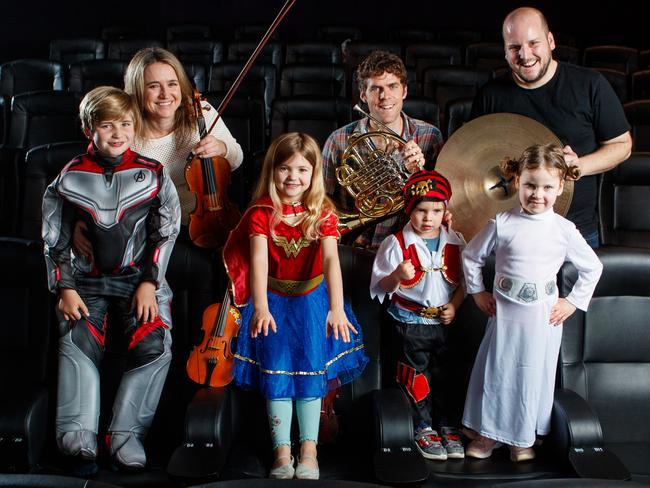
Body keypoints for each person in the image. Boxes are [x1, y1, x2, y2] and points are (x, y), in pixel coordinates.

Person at [42, 86, 181, 471]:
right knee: (77, 335)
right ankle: (76, 432)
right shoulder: (68, 177)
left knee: (155, 340)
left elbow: (166, 231)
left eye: (125, 124)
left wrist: (151, 282)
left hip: (140, 279)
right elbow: (53, 239)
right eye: (107, 125)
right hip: (85, 282)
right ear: (90, 129)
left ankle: (126, 434)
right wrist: (64, 288)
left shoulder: (153, 174)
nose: (117, 133)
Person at [223, 132, 368, 479]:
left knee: (310, 377)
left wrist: (335, 307)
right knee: (277, 376)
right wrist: (259, 307)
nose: (293, 178)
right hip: (273, 301)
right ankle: (281, 452)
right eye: (285, 169)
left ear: (314, 173)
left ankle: (309, 451)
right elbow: (258, 261)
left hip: (313, 302)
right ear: (272, 172)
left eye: (302, 170)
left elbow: (332, 261)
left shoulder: (323, 211)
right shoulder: (262, 212)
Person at [461, 143, 602, 462]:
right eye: (530, 185)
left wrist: (572, 303)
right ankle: (487, 436)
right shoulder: (502, 222)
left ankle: (521, 439)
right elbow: (471, 257)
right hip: (506, 317)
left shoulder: (564, 230)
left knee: (530, 375)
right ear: (516, 182)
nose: (538, 194)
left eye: (547, 187)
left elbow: (593, 267)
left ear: (561, 186)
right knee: (498, 372)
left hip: (542, 321)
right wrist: (478, 292)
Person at [471, 6, 632, 248]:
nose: (525, 55)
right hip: (511, 232)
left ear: (550, 41)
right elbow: (473, 158)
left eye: (533, 43)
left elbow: (622, 145)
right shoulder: (490, 95)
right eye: (514, 47)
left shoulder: (590, 85)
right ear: (505, 52)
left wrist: (580, 166)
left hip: (575, 231)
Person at [74, 47, 243, 255]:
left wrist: (221, 147)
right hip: (148, 230)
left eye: (172, 84)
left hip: (204, 222)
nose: (165, 94)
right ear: (137, 91)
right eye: (153, 86)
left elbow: (237, 157)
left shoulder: (204, 115)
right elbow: (97, 178)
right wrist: (80, 220)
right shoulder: (126, 130)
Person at [370, 170, 466, 460]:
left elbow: (464, 283)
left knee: (446, 376)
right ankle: (422, 427)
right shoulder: (395, 244)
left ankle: (447, 425)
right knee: (415, 378)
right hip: (410, 324)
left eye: (436, 211)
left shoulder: (456, 240)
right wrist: (397, 275)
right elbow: (380, 287)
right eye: (421, 210)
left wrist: (456, 305)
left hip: (445, 324)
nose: (428, 218)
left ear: (445, 211)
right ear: (410, 210)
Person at [322, 50, 444, 250]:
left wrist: (419, 175)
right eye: (375, 89)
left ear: (404, 91)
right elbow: (321, 200)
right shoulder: (338, 140)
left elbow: (440, 204)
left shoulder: (429, 136)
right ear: (363, 94)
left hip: (410, 247)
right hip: (356, 245)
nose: (385, 96)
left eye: (392, 86)